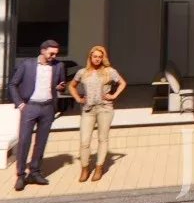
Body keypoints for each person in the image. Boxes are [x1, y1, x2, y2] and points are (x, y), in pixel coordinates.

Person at [7, 39, 69, 192]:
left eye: (56, 54)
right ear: (42, 51)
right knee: (24, 141)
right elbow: (13, 84)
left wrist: (60, 87)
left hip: (48, 107)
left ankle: (35, 172)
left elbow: (60, 87)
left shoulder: (59, 66)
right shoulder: (27, 64)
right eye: (51, 53)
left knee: (41, 142)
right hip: (30, 107)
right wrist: (20, 104)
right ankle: (21, 175)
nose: (54, 56)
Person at [71, 45, 126, 183]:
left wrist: (114, 95)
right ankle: (85, 168)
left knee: (103, 139)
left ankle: (99, 167)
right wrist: (78, 98)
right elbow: (72, 86)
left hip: (104, 109)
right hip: (88, 110)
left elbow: (122, 83)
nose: (97, 59)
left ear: (103, 58)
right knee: (84, 141)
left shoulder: (109, 71)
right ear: (90, 57)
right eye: (95, 56)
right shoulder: (82, 72)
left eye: (100, 57)